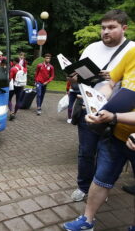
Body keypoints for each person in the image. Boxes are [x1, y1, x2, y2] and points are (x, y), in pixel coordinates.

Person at [63, 46, 135, 231]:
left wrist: (114, 116)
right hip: (116, 135)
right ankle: (87, 220)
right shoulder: (132, 54)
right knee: (101, 178)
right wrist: (96, 102)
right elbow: (111, 83)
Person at [69, 9, 135, 202]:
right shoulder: (91, 48)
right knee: (86, 151)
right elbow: (76, 81)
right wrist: (74, 79)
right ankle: (83, 187)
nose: (106, 31)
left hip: (122, 113)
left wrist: (114, 76)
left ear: (124, 28)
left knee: (108, 153)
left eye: (111, 27)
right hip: (90, 108)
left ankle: (99, 188)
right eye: (103, 27)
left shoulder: (132, 50)